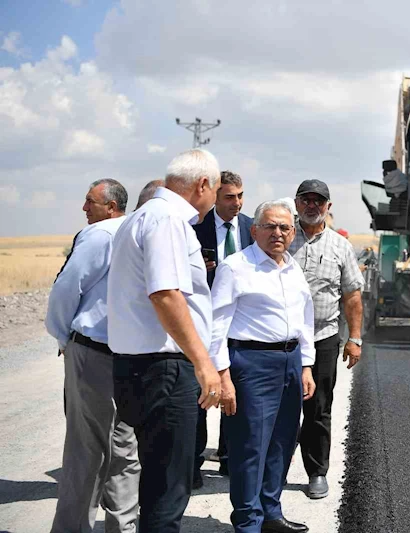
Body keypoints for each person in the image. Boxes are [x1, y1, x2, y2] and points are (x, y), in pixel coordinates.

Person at [107, 149, 222, 533]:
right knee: (169, 489)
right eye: (216, 189)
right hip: (164, 370)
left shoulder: (140, 217)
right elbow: (166, 294)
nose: (215, 199)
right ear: (203, 184)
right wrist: (204, 363)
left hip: (138, 367)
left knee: (158, 480)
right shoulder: (167, 220)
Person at [209, 200, 316, 533]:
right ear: (254, 230)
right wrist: (222, 375)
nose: (277, 233)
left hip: (290, 362)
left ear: (293, 232)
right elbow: (217, 324)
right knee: (250, 447)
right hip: (251, 364)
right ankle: (247, 521)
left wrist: (307, 365)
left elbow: (305, 320)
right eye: (269, 226)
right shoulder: (235, 266)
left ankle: (271, 511)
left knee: (283, 442)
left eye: (284, 227)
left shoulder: (292, 268)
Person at [46, 179, 140, 533]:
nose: (85, 209)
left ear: (111, 206)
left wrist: (62, 336)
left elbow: (67, 288)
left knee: (85, 450)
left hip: (93, 352)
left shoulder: (99, 235)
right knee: (125, 451)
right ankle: (122, 527)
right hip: (131, 355)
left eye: (90, 202)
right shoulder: (137, 230)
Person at [289, 179, 365, 500]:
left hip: (323, 338)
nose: (311, 205)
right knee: (281, 406)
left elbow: (351, 296)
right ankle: (274, 466)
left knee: (318, 407)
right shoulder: (282, 237)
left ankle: (316, 472)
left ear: (328, 207)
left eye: (318, 201)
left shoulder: (340, 246)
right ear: (296, 203)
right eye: (305, 200)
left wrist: (355, 338)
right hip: (284, 340)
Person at [191, 170, 254, 487]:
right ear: (215, 195)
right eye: (230, 196)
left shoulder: (251, 228)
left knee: (234, 393)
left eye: (241, 196)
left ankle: (229, 459)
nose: (237, 203)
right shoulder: (195, 227)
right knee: (201, 395)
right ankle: (193, 463)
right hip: (202, 324)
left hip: (239, 326)